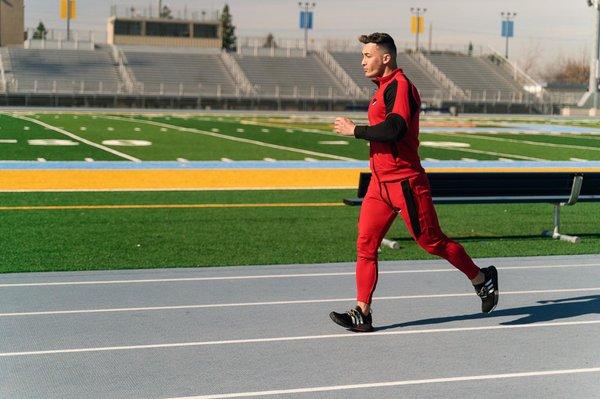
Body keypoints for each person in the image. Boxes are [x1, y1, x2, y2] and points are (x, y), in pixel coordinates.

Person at [329, 33, 498, 333]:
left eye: (368, 55)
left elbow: (395, 128)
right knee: (365, 244)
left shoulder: (401, 87)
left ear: (386, 57)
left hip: (406, 183)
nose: (362, 61)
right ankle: (362, 312)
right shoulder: (382, 88)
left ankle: (481, 279)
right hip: (380, 185)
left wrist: (356, 130)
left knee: (432, 242)